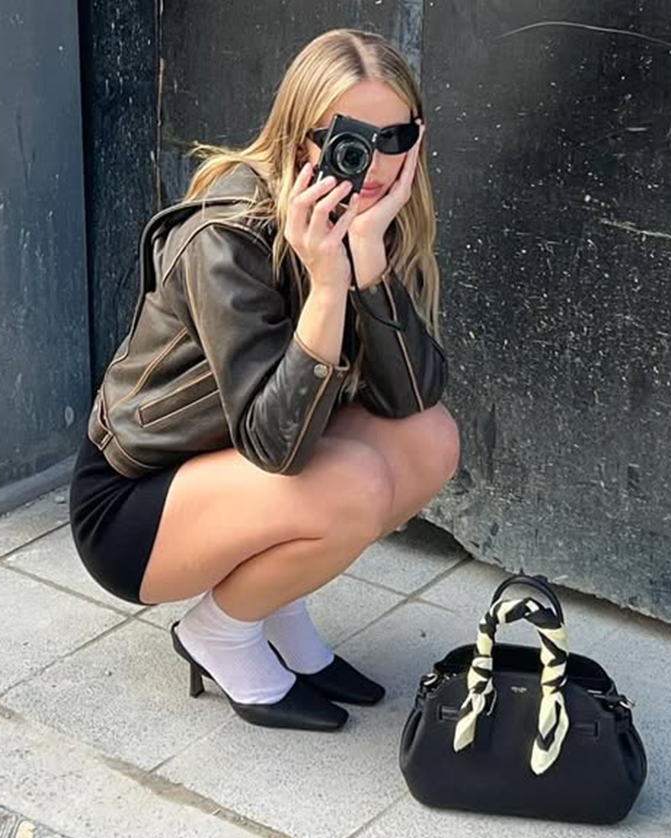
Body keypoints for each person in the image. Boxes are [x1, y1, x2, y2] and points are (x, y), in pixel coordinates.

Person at [68, 28, 458, 733]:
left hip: (243, 473)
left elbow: (409, 399)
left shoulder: (373, 219)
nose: (373, 162)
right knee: (355, 484)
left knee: (429, 440)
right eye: (348, 137)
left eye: (395, 137)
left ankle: (277, 611)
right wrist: (329, 287)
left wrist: (368, 258)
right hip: (138, 504)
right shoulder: (228, 234)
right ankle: (218, 633)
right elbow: (278, 448)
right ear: (300, 137)